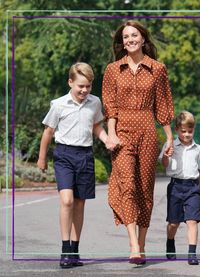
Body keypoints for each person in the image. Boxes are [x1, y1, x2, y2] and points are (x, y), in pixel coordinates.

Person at [102, 20, 174, 264]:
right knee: (128, 185)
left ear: (143, 39)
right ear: (122, 42)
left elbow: (163, 105)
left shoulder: (157, 68)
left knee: (145, 188)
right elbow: (109, 106)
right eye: (125, 37)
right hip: (122, 132)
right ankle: (133, 243)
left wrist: (170, 137)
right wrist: (111, 134)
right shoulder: (113, 69)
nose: (130, 40)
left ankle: (142, 243)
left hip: (147, 131)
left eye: (134, 35)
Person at [37, 62, 109, 268]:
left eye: (88, 86)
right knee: (67, 200)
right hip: (64, 155)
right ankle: (65, 249)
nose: (84, 90)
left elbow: (96, 126)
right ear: (70, 82)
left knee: (79, 202)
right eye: (80, 86)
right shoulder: (59, 104)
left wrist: (107, 140)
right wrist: (42, 158)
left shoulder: (95, 103)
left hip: (85, 155)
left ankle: (75, 250)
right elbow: (48, 132)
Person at [158, 111, 200, 265]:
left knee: (192, 221)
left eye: (190, 131)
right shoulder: (170, 145)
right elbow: (164, 164)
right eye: (183, 131)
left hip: (192, 188)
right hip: (175, 187)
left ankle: (192, 253)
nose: (187, 134)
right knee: (174, 223)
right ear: (177, 129)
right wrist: (167, 155)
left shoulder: (198, 149)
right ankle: (170, 241)